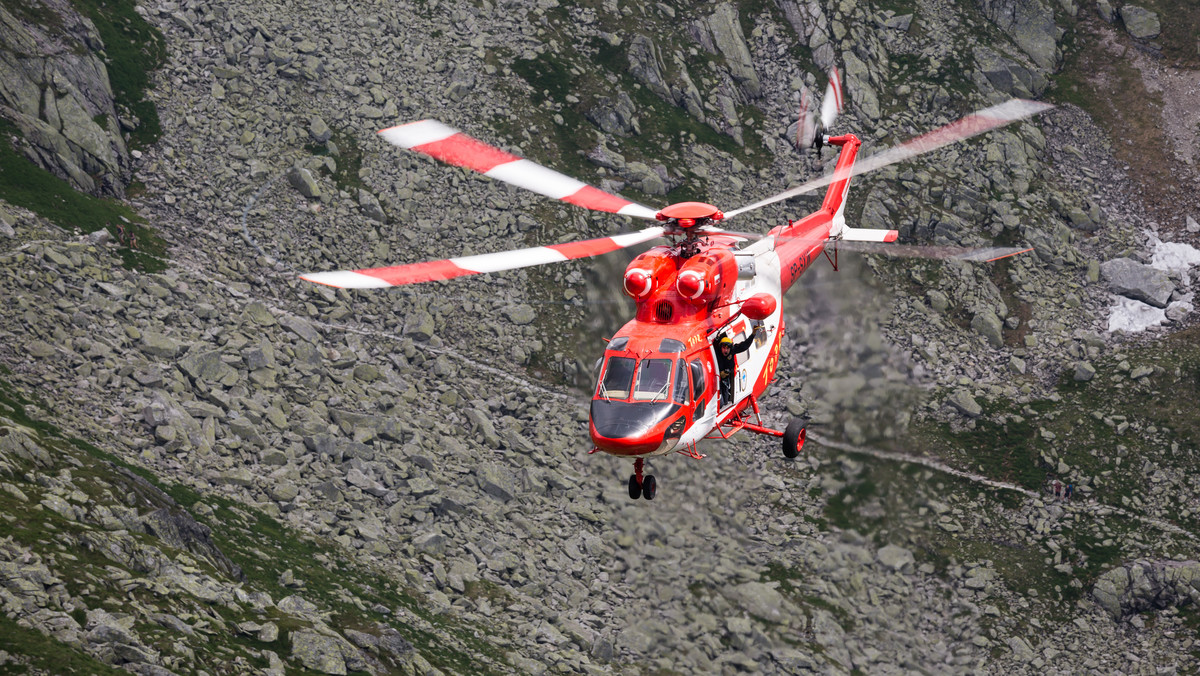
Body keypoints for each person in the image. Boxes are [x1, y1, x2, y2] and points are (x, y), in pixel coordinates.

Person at [716, 326, 760, 408]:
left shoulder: (733, 350)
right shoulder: (717, 355)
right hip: (718, 380)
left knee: (725, 400)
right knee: (721, 403)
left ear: (730, 348)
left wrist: (753, 334)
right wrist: (719, 374)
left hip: (726, 378)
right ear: (720, 348)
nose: (725, 350)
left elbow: (745, 345)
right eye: (723, 348)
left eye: (727, 348)